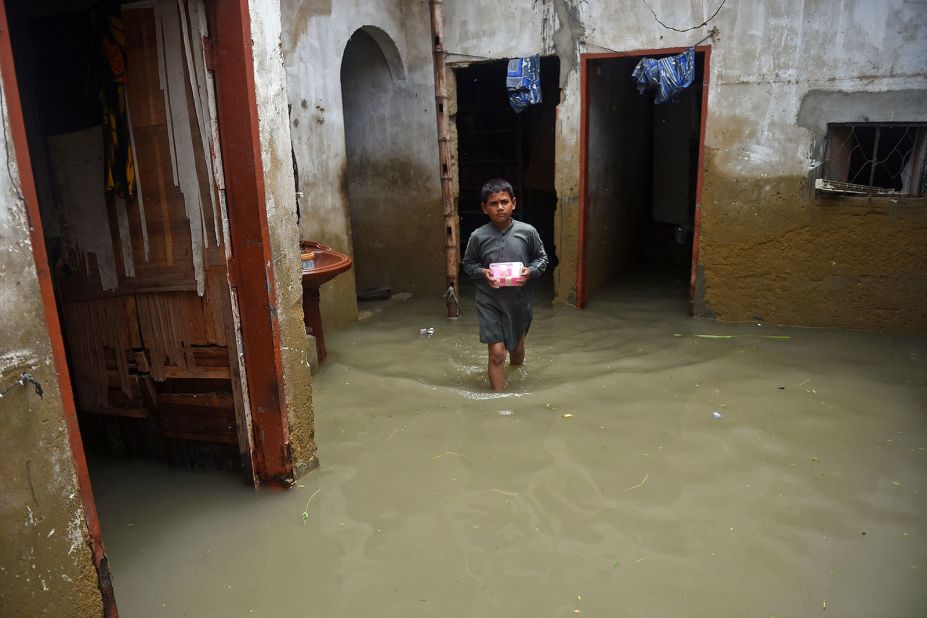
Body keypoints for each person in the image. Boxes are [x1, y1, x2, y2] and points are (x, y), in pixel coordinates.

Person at [462, 178, 548, 391]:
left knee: (516, 350)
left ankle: (516, 369)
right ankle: (498, 399)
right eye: (493, 203)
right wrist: (484, 272)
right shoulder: (478, 236)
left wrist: (531, 271)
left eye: (504, 201)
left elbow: (542, 259)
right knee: (497, 353)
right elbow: (468, 264)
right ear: (484, 208)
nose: (500, 207)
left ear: (513, 203)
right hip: (489, 300)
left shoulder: (528, 232)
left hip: (519, 301)